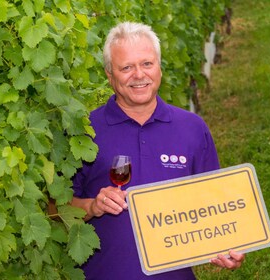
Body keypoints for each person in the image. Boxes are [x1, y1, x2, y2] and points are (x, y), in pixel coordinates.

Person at [71, 22, 245, 280]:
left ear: (160, 68)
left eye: (147, 64)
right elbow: (55, 208)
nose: (139, 75)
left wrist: (227, 247)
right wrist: (93, 206)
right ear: (110, 75)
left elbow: (216, 208)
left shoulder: (192, 128)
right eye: (126, 67)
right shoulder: (85, 131)